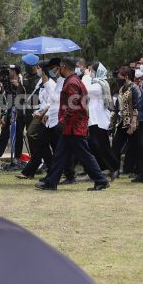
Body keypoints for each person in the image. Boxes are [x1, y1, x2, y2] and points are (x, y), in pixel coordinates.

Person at [35, 57, 110, 191]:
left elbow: (72, 106)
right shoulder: (73, 81)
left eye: (60, 67)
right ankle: (51, 182)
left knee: (85, 155)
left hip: (73, 127)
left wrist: (62, 122)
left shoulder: (72, 83)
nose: (58, 69)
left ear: (64, 67)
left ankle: (101, 180)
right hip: (71, 127)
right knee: (60, 154)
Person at [82, 62, 118, 179]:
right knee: (94, 145)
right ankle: (101, 169)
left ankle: (114, 167)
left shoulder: (100, 84)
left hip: (100, 121)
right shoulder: (96, 83)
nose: (90, 72)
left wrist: (86, 76)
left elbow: (85, 89)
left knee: (102, 146)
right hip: (94, 120)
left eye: (91, 70)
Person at [0, 64, 26, 169]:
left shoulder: (22, 81)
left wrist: (18, 86)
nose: (9, 71)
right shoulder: (5, 81)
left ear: (16, 71)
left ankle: (17, 158)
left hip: (19, 111)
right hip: (8, 110)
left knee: (18, 134)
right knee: (4, 134)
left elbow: (27, 96)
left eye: (11, 70)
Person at [111, 66, 140, 176]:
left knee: (134, 146)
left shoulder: (135, 88)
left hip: (133, 122)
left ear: (126, 76)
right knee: (116, 145)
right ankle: (114, 169)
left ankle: (133, 170)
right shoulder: (121, 89)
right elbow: (118, 106)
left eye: (119, 76)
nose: (118, 78)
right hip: (122, 121)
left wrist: (134, 121)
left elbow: (138, 104)